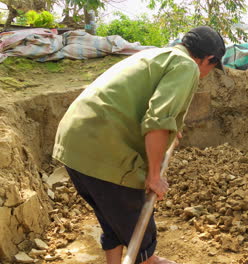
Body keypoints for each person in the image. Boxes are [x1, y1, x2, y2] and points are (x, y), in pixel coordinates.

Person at [52, 26, 226, 264]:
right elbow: (157, 121)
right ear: (209, 59)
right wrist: (154, 176)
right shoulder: (186, 66)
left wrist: (170, 131)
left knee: (112, 219)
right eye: (213, 67)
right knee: (138, 230)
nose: (207, 73)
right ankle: (148, 260)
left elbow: (153, 111)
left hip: (75, 143)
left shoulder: (155, 55)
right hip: (104, 146)